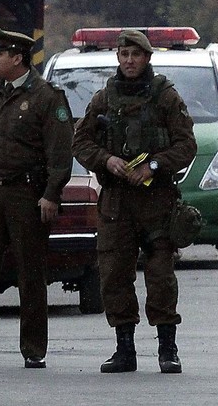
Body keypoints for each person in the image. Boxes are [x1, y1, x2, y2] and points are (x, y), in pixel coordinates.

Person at [72, 29, 197, 374]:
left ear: (147, 58)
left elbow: (186, 145)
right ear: (118, 58)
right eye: (124, 54)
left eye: (136, 55)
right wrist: (105, 160)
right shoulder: (103, 99)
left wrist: (153, 166)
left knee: (160, 276)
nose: (129, 61)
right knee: (114, 274)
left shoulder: (166, 97)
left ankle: (167, 348)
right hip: (116, 202)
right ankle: (124, 349)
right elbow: (80, 141)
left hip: (156, 201)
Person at [0, 24, 73, 370]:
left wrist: (52, 193)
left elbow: (60, 152)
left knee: (31, 273)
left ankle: (33, 348)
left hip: (27, 193)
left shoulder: (46, 97)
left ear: (18, 57)